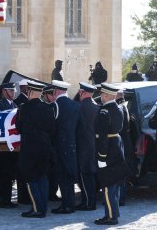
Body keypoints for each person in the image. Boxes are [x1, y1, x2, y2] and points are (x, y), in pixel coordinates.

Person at [16, 81, 56, 218]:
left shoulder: (23, 108)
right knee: (42, 177)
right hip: (44, 146)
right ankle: (43, 207)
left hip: (29, 147)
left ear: (29, 92)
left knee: (31, 178)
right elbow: (52, 128)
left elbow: (18, 128)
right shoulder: (48, 108)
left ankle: (36, 208)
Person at [94, 83, 128, 226]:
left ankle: (111, 216)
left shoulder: (104, 112)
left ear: (106, 95)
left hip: (107, 150)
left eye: (102, 95)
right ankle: (113, 213)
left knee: (108, 185)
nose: (101, 97)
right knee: (114, 184)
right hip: (117, 147)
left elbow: (102, 137)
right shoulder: (120, 108)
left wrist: (101, 156)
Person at [50, 80, 82, 214]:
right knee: (69, 175)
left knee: (62, 176)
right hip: (72, 144)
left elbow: (52, 127)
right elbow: (79, 127)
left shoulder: (55, 106)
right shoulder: (75, 105)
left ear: (56, 91)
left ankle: (66, 205)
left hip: (59, 144)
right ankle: (70, 204)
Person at [0, 82, 19, 208]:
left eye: (14, 91)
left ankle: (6, 199)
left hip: (11, 145)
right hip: (1, 145)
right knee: (1, 174)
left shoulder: (14, 105)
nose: (13, 93)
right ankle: (0, 200)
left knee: (9, 173)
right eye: (11, 91)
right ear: (4, 92)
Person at [75, 82, 99, 211]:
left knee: (84, 175)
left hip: (83, 145)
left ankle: (88, 203)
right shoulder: (97, 107)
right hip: (94, 146)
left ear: (82, 93)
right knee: (91, 175)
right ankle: (90, 201)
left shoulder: (79, 107)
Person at [116, 90, 138, 206]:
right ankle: (120, 197)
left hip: (122, 143)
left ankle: (120, 197)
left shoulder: (120, 107)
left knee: (120, 172)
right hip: (126, 142)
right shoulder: (124, 106)